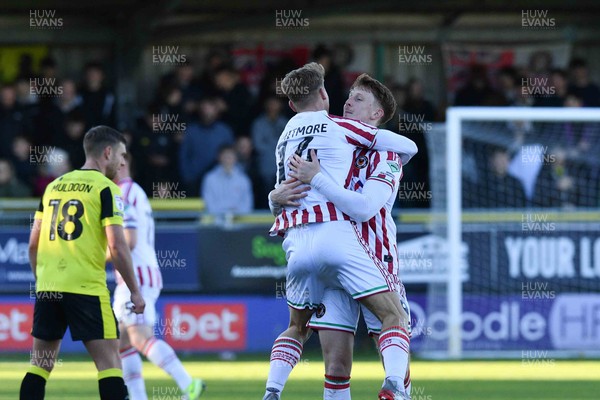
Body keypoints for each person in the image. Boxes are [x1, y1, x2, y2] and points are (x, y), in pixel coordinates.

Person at [263, 63, 417, 400]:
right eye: (348, 97)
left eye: (358, 99)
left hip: (375, 255)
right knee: (335, 364)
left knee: (395, 352)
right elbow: (287, 182)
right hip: (336, 249)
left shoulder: (386, 155)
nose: (348, 103)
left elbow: (365, 207)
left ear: (377, 112)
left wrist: (315, 178)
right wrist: (275, 197)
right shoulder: (331, 134)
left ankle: (396, 389)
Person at [20, 126, 145, 400]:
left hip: (49, 288)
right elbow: (117, 245)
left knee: (39, 366)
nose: (123, 163)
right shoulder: (106, 189)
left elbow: (33, 245)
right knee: (110, 365)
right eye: (121, 155)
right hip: (87, 289)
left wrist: (44, 282)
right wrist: (135, 290)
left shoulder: (54, 186)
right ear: (108, 152)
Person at [112, 155, 205, 400]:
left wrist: (98, 256)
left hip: (136, 275)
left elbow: (128, 241)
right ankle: (138, 397)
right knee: (122, 344)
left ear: (120, 164)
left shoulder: (122, 193)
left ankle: (188, 384)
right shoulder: (135, 192)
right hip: (139, 274)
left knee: (139, 337)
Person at [201, 145, 253, 215]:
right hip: (215, 222)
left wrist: (236, 216)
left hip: (239, 222)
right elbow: (208, 203)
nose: (228, 159)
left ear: (235, 158)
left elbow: (247, 205)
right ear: (219, 158)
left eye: (230, 156)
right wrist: (224, 215)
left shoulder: (243, 180)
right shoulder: (209, 178)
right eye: (225, 156)